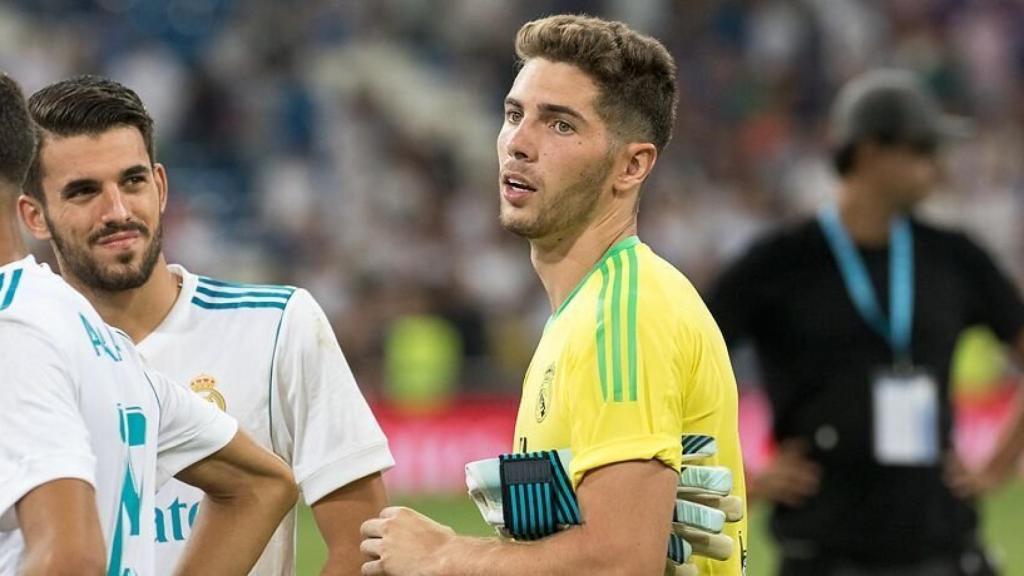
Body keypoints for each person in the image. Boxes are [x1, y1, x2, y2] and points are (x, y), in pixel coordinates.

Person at [359, 14, 747, 576]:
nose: (519, 143)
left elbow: (620, 563)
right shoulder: (586, 309)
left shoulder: (624, 312)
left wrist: (446, 556)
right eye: (515, 115)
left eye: (560, 125)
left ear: (631, 165)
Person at [20, 74, 395, 575]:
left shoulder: (277, 327)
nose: (118, 211)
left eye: (132, 182)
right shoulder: (21, 353)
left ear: (160, 185)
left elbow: (365, 544)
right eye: (84, 192)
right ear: (35, 216)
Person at [707, 68, 1024, 576]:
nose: (937, 166)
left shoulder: (953, 257)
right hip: (822, 554)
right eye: (923, 150)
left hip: (943, 550)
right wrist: (741, 476)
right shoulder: (780, 263)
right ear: (871, 151)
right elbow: (680, 368)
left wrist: (997, 466)